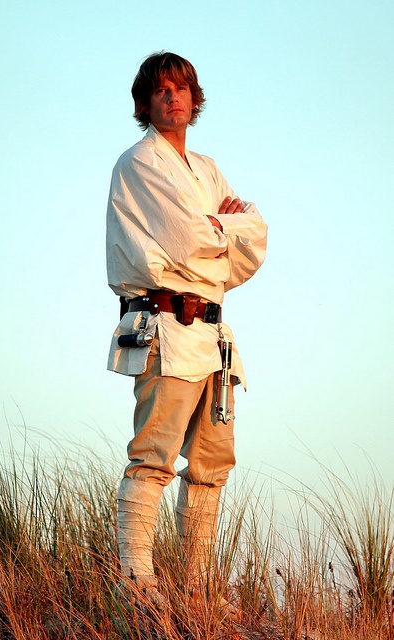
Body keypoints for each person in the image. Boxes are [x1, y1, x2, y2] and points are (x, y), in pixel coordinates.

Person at [106, 52, 267, 603]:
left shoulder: (207, 168)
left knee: (210, 467)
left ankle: (196, 588)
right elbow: (185, 238)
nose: (172, 97)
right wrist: (225, 229)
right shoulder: (139, 162)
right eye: (160, 91)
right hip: (165, 323)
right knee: (154, 455)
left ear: (194, 99)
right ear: (144, 103)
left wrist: (218, 231)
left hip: (214, 332)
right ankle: (137, 581)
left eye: (181, 89)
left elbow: (252, 247)